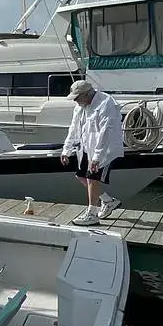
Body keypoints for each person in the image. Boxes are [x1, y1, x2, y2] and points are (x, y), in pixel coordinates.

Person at [60, 79, 124, 226]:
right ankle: (108, 201)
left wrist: (96, 158)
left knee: (92, 179)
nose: (75, 101)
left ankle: (92, 214)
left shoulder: (106, 104)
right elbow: (74, 127)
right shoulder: (80, 105)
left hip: (105, 149)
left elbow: (105, 133)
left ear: (87, 94)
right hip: (86, 147)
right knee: (81, 176)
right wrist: (67, 149)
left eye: (77, 97)